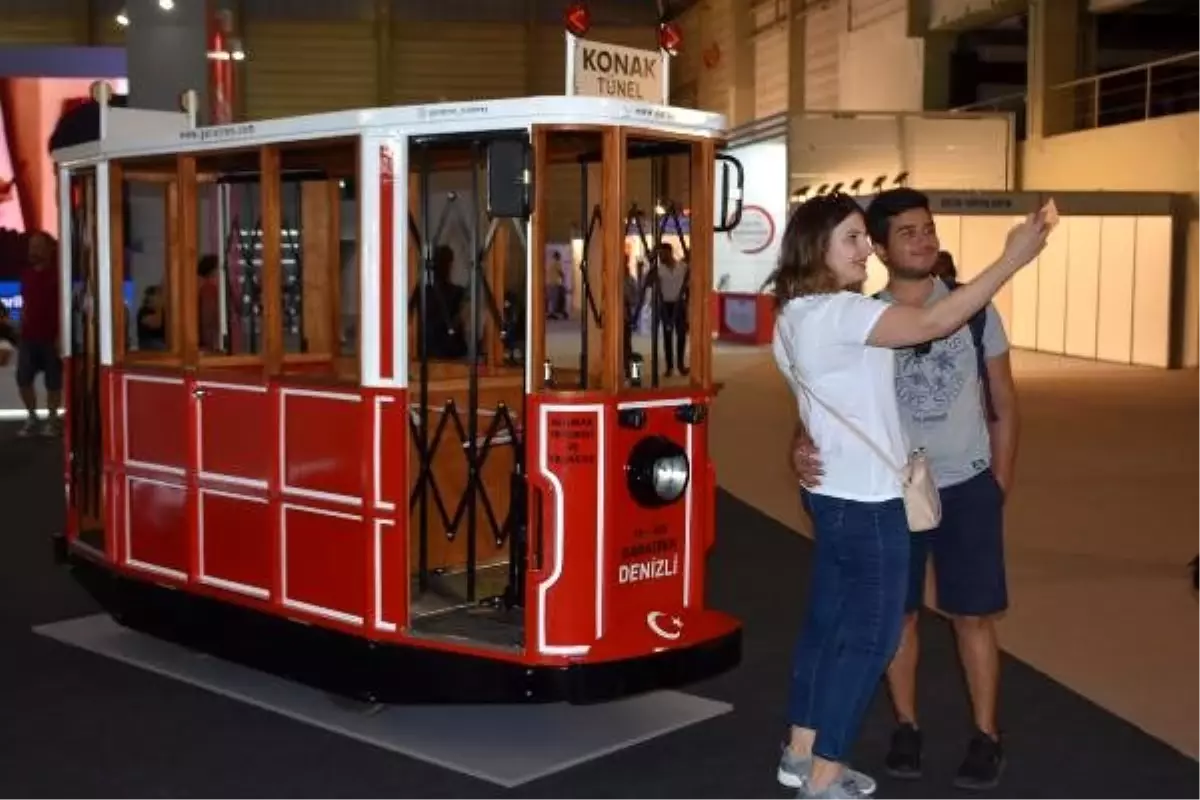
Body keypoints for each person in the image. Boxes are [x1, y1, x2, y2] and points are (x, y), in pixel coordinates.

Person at [768, 193, 1046, 800]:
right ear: (817, 248)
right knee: (875, 638)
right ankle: (824, 774)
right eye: (851, 239)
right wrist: (1013, 260)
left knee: (825, 626)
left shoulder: (793, 315)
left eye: (865, 237)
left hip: (836, 496)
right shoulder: (843, 313)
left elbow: (826, 401)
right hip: (869, 502)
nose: (864, 248)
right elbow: (932, 323)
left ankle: (800, 750)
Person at [15, 232, 63, 437]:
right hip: (28, 337)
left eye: (37, 246)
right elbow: (26, 302)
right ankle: (32, 416)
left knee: (53, 381)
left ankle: (52, 420)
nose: (32, 250)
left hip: (52, 338)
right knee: (23, 379)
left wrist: (62, 335)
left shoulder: (58, 274)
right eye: (31, 246)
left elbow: (65, 305)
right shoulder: (26, 273)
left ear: (49, 248)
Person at [645, 242, 689, 377]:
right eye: (659, 254)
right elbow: (648, 283)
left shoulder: (683, 267)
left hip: (679, 304)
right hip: (665, 305)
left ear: (669, 252)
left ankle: (680, 365)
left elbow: (689, 282)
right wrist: (650, 263)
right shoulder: (658, 269)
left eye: (663, 253)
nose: (661, 256)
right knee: (667, 335)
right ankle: (670, 367)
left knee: (681, 335)